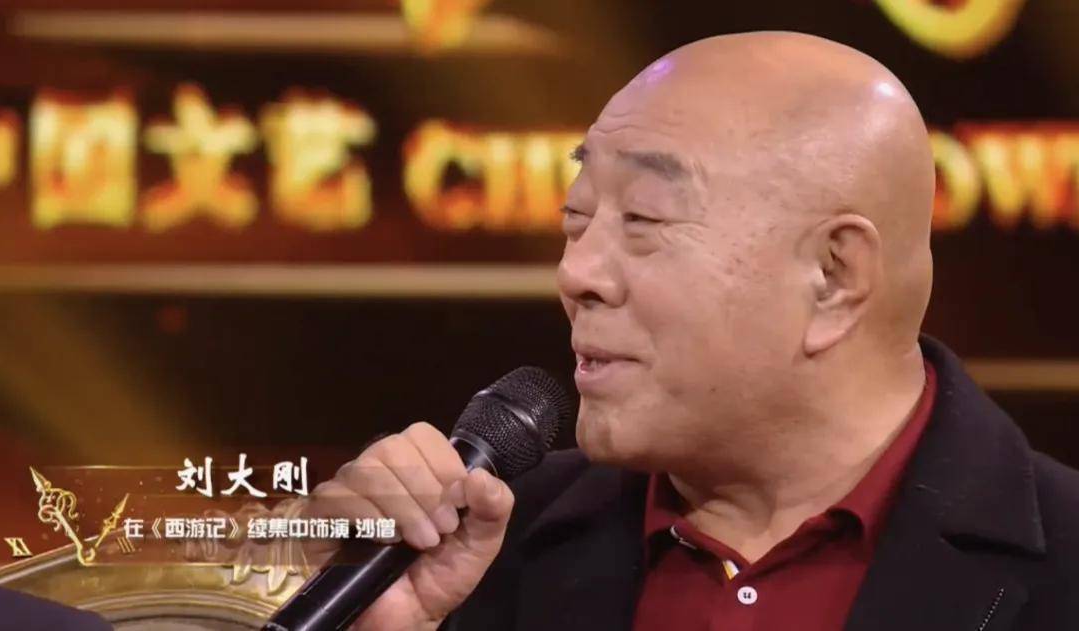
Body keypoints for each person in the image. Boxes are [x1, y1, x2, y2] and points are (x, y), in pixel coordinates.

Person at [302, 32, 1079, 630]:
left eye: (643, 218)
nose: (577, 273)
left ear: (834, 276)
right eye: (576, 218)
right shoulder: (474, 556)